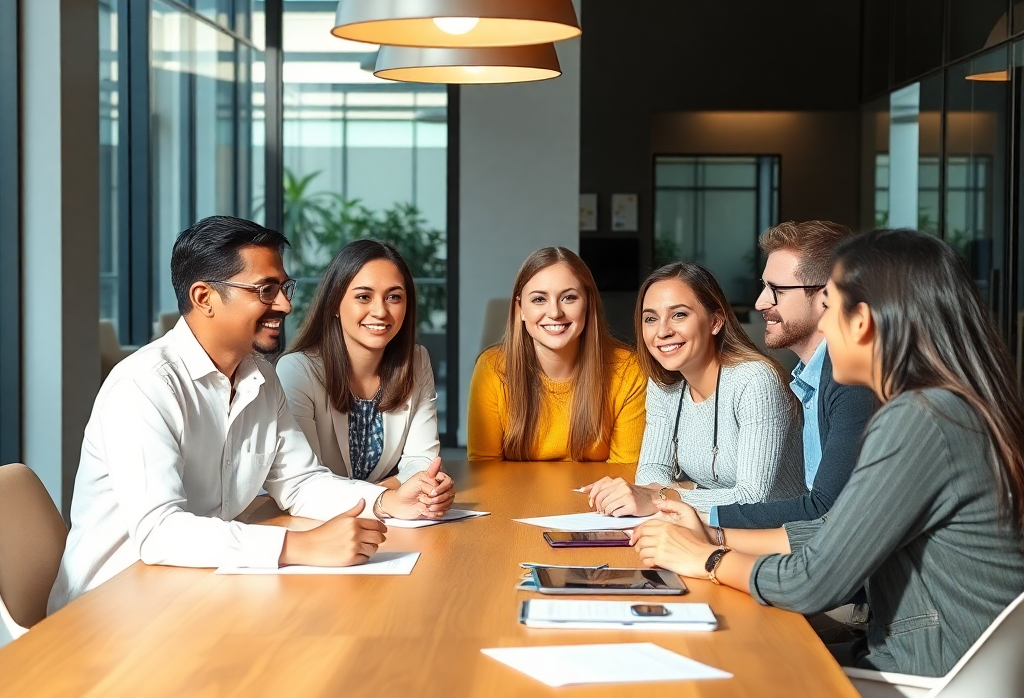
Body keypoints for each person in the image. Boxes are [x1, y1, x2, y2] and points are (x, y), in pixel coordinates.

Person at [632, 230, 1024, 677]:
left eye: (830, 307)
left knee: (726, 675)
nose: (823, 324)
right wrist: (710, 532)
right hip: (918, 662)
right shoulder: (935, 408)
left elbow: (813, 581)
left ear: (862, 323)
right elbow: (831, 528)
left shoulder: (921, 420)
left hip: (929, 682)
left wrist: (705, 559)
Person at [49, 217, 451, 610]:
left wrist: (387, 502)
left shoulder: (260, 378)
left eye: (284, 287)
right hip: (114, 607)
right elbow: (160, 533)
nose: (286, 304)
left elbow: (300, 482)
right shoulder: (145, 385)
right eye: (266, 290)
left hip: (204, 587)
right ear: (204, 298)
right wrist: (301, 546)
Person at [586, 261, 804, 517]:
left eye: (679, 314)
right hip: (710, 526)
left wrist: (662, 496)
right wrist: (657, 494)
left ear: (715, 321)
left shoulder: (754, 381)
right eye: (650, 319)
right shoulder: (664, 383)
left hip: (778, 535)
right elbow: (652, 470)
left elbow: (751, 497)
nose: (662, 331)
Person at [712, 221, 878, 529]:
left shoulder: (852, 382)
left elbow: (824, 509)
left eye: (777, 290)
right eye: (764, 287)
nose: (762, 302)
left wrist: (706, 520)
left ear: (826, 296)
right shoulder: (813, 375)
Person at [277, 239, 453, 508]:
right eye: (363, 297)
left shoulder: (416, 360)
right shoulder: (296, 371)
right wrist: (388, 499)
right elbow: (305, 482)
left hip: (390, 521)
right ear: (334, 303)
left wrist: (413, 491)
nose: (381, 311)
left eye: (394, 297)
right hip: (315, 524)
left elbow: (422, 461)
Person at [467, 246, 646, 463]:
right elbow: (484, 468)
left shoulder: (628, 369)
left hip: (596, 497)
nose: (554, 313)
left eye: (569, 297)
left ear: (588, 304)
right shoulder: (491, 368)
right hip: (516, 496)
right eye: (539, 299)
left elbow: (625, 472)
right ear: (520, 308)